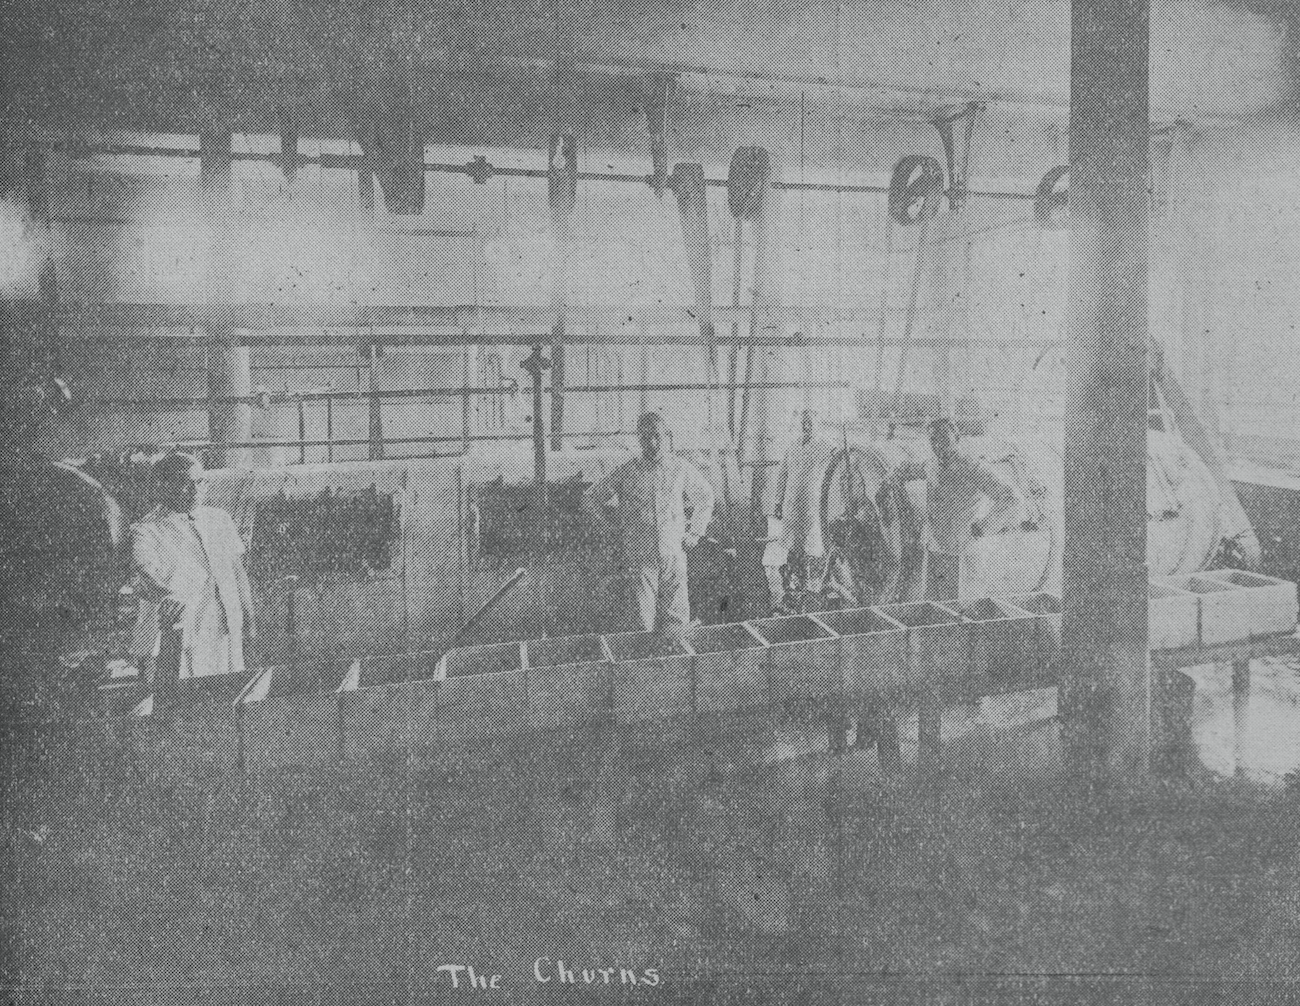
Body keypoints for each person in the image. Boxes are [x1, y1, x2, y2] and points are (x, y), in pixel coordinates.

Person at [584, 413, 715, 637]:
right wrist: (609, 528)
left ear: (666, 437)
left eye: (657, 436)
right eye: (646, 437)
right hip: (639, 557)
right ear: (639, 439)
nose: (652, 443)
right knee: (641, 622)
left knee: (676, 621)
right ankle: (645, 668)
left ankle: (676, 665)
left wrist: (695, 532)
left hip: (673, 553)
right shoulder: (627, 471)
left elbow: (705, 495)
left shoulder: (679, 468)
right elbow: (590, 499)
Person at [130, 452, 256, 680]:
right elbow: (144, 572)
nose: (195, 489)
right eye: (184, 483)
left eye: (200, 481)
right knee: (181, 701)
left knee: (227, 696)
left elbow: (238, 574)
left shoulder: (220, 519)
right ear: (163, 486)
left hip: (222, 630)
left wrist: (249, 620)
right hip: (177, 631)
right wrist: (166, 597)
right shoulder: (146, 530)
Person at [895, 418, 1021, 601]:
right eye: (933, 441)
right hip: (935, 551)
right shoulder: (931, 465)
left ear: (957, 438)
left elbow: (1011, 497)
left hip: (961, 552)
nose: (939, 446)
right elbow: (907, 470)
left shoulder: (973, 467)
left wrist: (985, 526)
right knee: (933, 606)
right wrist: (894, 476)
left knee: (960, 608)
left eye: (944, 440)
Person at [771, 410, 838, 612]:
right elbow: (782, 474)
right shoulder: (792, 445)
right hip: (792, 503)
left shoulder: (824, 445)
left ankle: (807, 583)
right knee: (792, 543)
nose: (806, 426)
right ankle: (791, 578)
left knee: (809, 545)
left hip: (810, 505)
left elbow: (839, 455)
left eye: (810, 423)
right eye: (804, 422)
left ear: (817, 424)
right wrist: (777, 502)